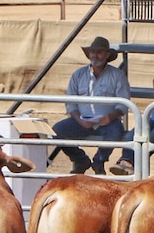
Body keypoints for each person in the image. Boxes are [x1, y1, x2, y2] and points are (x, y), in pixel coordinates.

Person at [52, 36, 129, 175]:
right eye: (92, 52)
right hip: (81, 120)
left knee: (116, 131)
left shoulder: (117, 75)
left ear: (107, 54)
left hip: (108, 121)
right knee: (56, 131)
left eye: (99, 52)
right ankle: (80, 159)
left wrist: (110, 117)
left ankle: (99, 161)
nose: (95, 55)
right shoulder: (78, 75)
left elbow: (123, 103)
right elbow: (70, 102)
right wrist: (79, 119)